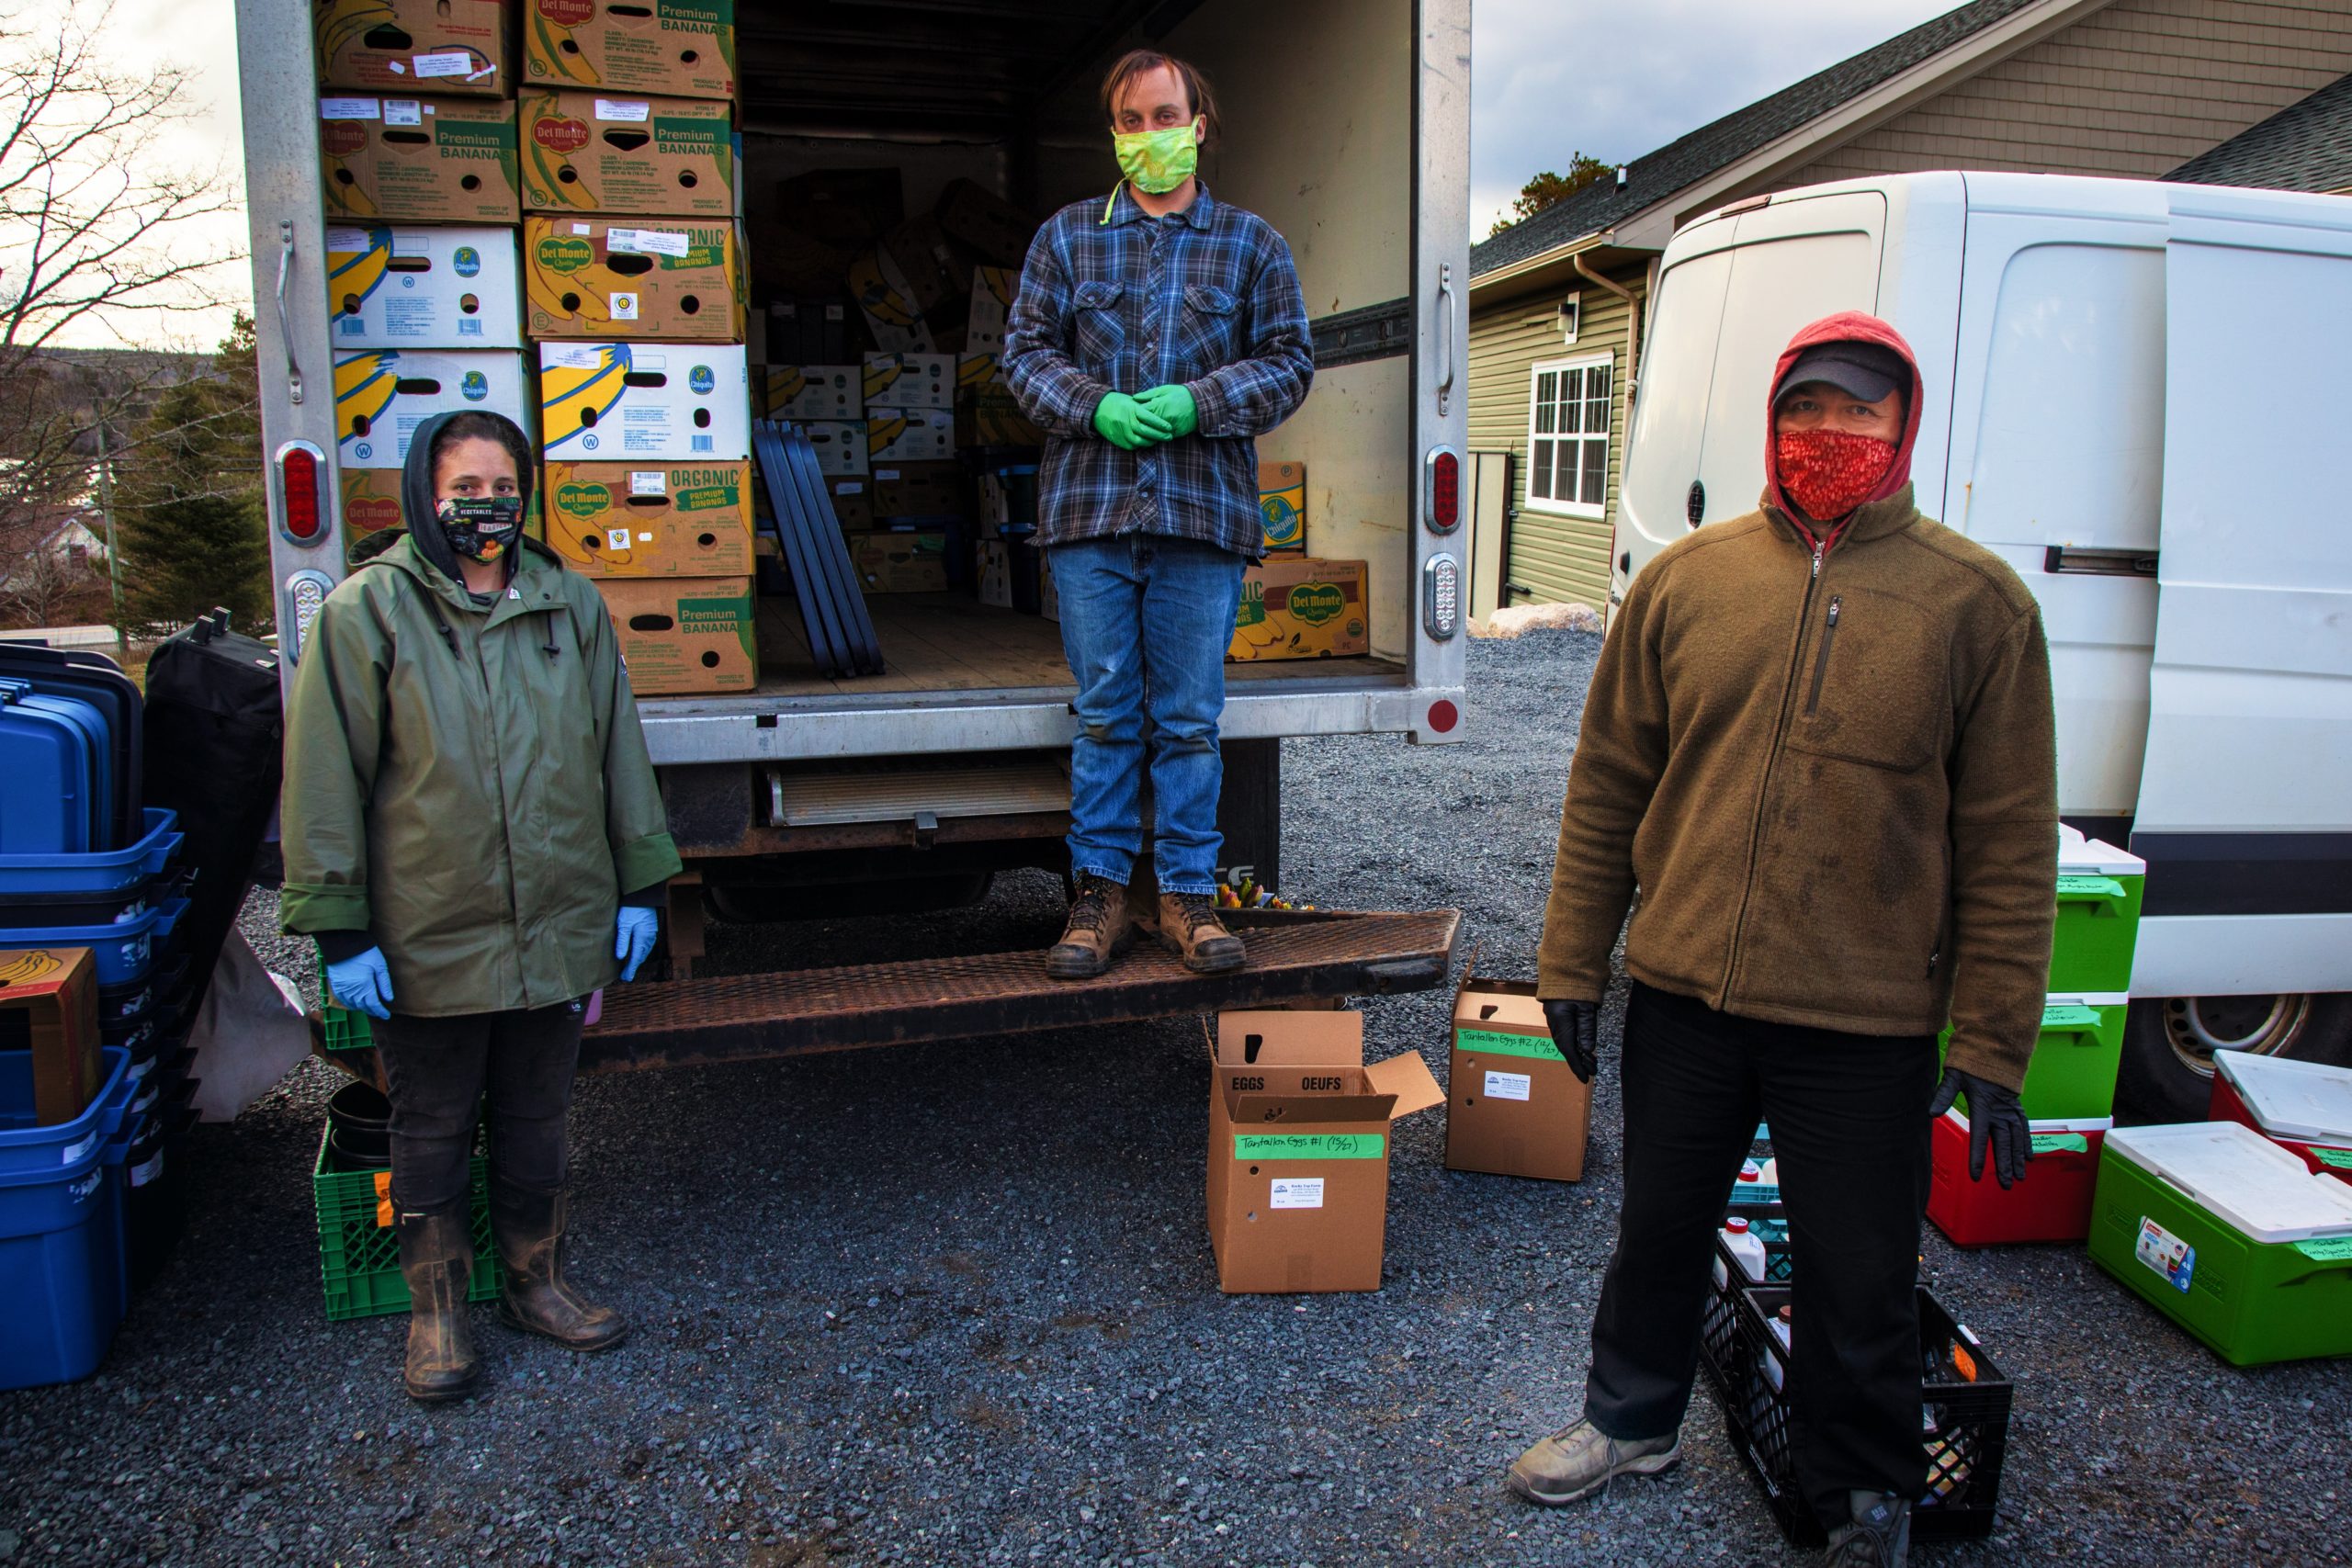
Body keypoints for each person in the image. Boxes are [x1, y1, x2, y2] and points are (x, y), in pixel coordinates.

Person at [1504, 312, 2056, 1565]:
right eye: (1807, 408)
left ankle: (1863, 1492)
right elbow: (1607, 786)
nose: (1830, 435)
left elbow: (2013, 840)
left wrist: (1996, 1037)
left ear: (1902, 428)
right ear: (1772, 418)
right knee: (1657, 1224)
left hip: (1866, 1020)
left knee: (1860, 1273)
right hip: (1690, 991)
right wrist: (1572, 959)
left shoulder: (1978, 608)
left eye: (1860, 412)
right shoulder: (1691, 584)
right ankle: (1627, 1417)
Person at [280, 411, 683, 1404]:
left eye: (502, 486)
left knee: (539, 1113)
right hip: (430, 925)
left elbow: (614, 751)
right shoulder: (368, 612)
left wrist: (639, 885)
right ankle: (438, 1311)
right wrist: (340, 926)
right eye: (464, 489)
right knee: (432, 1122)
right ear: (425, 493)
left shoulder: (567, 604)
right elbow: (326, 777)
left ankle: (535, 1283)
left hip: (556, 915)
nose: (486, 507)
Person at [1003, 48, 1314, 980]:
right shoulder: (1064, 239)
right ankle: (1096, 898)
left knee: (1185, 719)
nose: (1149, 136)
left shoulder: (1252, 244)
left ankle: (1185, 896)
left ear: (1199, 123)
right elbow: (1019, 354)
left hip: (1200, 518)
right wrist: (1088, 402)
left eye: (1164, 116)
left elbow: (1291, 359)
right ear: (1114, 133)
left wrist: (1202, 401)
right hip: (1090, 516)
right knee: (1105, 715)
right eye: (1131, 122)